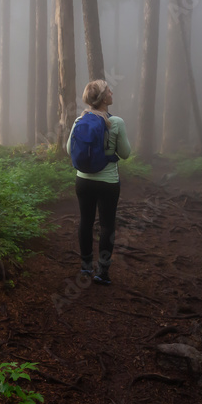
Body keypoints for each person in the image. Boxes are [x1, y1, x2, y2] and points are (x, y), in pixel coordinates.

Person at [66, 80, 131, 285]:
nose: (112, 92)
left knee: (85, 221)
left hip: (83, 181)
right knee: (106, 225)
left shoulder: (79, 120)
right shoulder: (116, 122)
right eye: (109, 90)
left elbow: (69, 150)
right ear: (104, 98)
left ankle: (86, 266)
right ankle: (102, 272)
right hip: (108, 182)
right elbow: (126, 154)